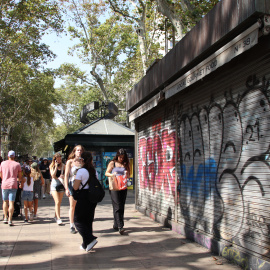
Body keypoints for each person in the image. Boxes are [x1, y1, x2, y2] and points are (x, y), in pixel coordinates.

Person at [73, 151, 98, 252]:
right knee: (88, 220)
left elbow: (75, 187)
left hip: (83, 196)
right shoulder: (93, 170)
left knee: (78, 221)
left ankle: (90, 239)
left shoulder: (81, 171)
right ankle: (85, 244)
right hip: (92, 197)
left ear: (82, 160)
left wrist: (75, 180)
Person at [105, 148, 130, 235]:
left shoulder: (126, 163)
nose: (121, 159)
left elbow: (128, 174)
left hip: (123, 186)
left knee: (121, 205)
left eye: (123, 157)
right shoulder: (113, 163)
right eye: (120, 157)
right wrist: (112, 174)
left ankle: (116, 225)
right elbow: (106, 173)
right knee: (117, 205)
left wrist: (126, 174)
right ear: (117, 156)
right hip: (115, 187)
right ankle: (120, 226)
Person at [64, 145, 84, 234]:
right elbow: (66, 175)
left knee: (81, 207)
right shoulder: (70, 162)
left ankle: (79, 224)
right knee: (72, 206)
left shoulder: (83, 162)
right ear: (74, 152)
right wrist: (66, 188)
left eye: (80, 150)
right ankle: (71, 225)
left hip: (82, 186)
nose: (79, 152)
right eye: (77, 150)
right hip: (72, 185)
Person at [0, 150, 22, 226]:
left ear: (8, 156)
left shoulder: (2, 163)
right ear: (14, 156)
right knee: (11, 202)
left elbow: (1, 174)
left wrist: (5, 179)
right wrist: (19, 182)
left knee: (5, 201)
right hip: (13, 184)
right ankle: (10, 219)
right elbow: (20, 175)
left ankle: (5, 217)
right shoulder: (17, 164)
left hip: (4, 184)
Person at [49, 153, 65, 225]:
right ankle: (58, 218)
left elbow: (66, 175)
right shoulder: (51, 166)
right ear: (55, 159)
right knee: (57, 201)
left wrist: (63, 176)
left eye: (60, 159)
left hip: (61, 184)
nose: (59, 160)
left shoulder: (64, 166)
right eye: (57, 159)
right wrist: (55, 167)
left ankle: (55, 216)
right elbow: (53, 175)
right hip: (54, 185)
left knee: (59, 202)